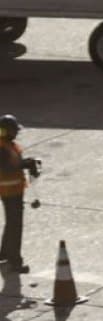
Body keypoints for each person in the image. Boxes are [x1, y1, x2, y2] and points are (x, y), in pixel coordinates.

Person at [0, 114, 39, 274]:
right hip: (9, 191)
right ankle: (15, 262)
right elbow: (6, 167)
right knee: (15, 226)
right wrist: (24, 164)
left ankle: (3, 255)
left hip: (14, 190)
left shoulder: (8, 144)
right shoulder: (2, 147)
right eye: (14, 130)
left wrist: (27, 163)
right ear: (6, 131)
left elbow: (14, 163)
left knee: (11, 224)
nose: (16, 133)